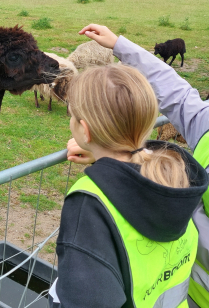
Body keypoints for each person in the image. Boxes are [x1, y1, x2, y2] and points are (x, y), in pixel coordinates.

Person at [48, 28, 209, 307]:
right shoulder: (179, 176)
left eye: (72, 115)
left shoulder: (90, 203)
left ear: (84, 132)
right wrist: (109, 158)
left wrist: (107, 162)